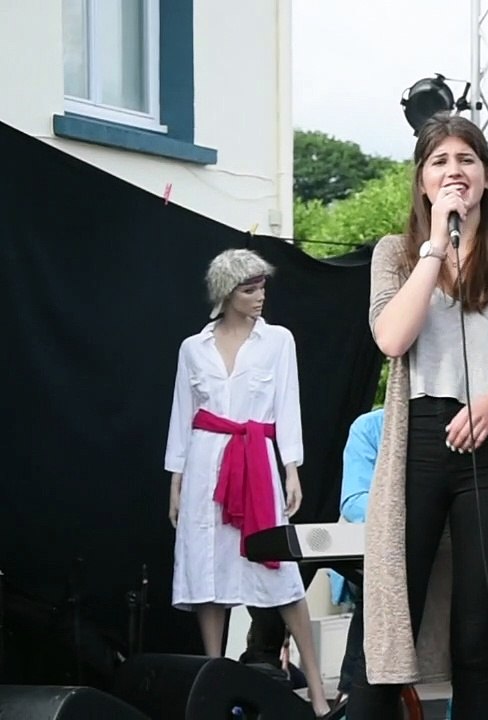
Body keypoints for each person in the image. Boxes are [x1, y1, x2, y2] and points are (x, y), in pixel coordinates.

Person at [356, 114, 488, 719]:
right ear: (422, 181)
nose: (454, 172)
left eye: (467, 160)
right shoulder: (396, 254)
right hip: (417, 444)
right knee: (390, 624)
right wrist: (434, 249)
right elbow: (392, 340)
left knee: (478, 637)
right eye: (440, 162)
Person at [164, 248, 331, 716]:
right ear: (226, 292)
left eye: (262, 286)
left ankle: (318, 691)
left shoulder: (277, 341)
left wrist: (291, 466)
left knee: (278, 571)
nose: (259, 296)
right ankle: (211, 684)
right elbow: (182, 416)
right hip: (204, 463)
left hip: (256, 460)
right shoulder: (192, 347)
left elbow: (287, 404)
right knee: (208, 569)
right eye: (248, 288)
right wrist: (175, 479)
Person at [332, 407, 383, 703]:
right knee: (380, 586)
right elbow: (352, 502)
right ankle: (352, 697)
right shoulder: (369, 427)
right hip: (381, 551)